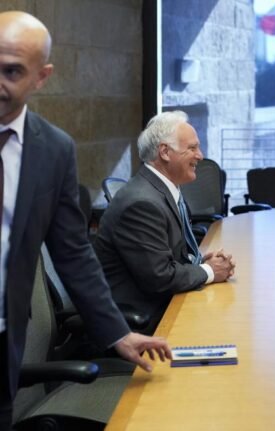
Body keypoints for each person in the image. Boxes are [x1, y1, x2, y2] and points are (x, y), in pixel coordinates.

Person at [0, 11, 171, 429]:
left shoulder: (54, 150)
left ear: (42, 77)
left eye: (12, 71)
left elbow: (73, 252)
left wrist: (117, 332)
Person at [94, 111, 236, 334]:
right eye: (192, 148)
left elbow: (169, 256)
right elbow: (160, 278)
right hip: (141, 325)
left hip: (162, 306)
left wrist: (199, 262)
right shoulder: (142, 203)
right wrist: (208, 271)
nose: (200, 155)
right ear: (165, 152)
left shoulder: (163, 190)